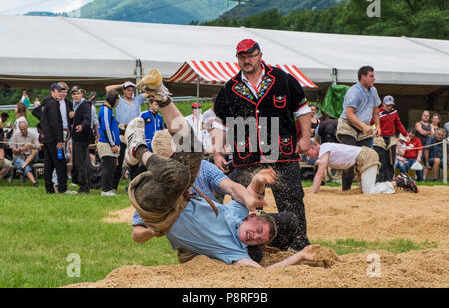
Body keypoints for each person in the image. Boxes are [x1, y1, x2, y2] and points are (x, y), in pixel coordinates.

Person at [124, 92, 320, 267]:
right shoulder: (236, 213)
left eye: (259, 239)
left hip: (163, 216)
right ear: (251, 216)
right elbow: (251, 190)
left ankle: (138, 148)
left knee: (182, 172)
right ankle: (162, 99)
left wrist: (299, 257)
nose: (256, 236)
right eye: (259, 231)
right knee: (192, 156)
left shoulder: (234, 250)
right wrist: (259, 180)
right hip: (158, 197)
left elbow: (236, 189)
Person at [211, 39, 312, 252]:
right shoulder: (229, 89)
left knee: (292, 200)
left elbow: (302, 109)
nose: (247, 60)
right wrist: (217, 151)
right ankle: (247, 247)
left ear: (260, 55)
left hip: (282, 154)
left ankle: (298, 245)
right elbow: (220, 122)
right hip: (247, 156)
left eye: (250, 55)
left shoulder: (283, 79)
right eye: (242, 57)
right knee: (245, 203)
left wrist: (305, 137)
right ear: (237, 59)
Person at [304, 141, 418, 194]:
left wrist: (312, 193)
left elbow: (320, 173)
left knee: (368, 191)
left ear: (313, 147)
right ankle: (399, 180)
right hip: (362, 158)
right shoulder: (324, 150)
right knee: (366, 189)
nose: (309, 156)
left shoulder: (324, 148)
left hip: (366, 157)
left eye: (308, 153)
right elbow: (321, 163)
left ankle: (399, 182)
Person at [336, 65, 381, 191]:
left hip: (363, 128)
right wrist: (364, 126)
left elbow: (376, 110)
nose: (374, 79)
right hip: (348, 126)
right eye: (371, 76)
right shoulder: (354, 91)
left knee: (367, 157)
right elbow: (349, 113)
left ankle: (365, 188)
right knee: (349, 159)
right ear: (363, 77)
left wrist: (377, 126)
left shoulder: (373, 90)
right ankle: (346, 190)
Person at [105, 81, 151, 190]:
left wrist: (138, 86)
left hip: (133, 132)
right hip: (121, 131)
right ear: (124, 91)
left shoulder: (137, 100)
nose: (130, 92)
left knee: (134, 161)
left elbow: (148, 92)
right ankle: (113, 187)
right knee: (119, 161)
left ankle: (133, 186)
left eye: (132, 90)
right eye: (128, 90)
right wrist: (121, 85)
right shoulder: (119, 101)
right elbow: (108, 88)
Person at [38, 83, 75, 194]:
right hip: (54, 139)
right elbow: (55, 123)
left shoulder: (46, 103)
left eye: (62, 91)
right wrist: (59, 140)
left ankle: (49, 188)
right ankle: (63, 188)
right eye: (58, 91)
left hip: (47, 138)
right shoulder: (53, 104)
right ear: (52, 92)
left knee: (48, 164)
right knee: (61, 163)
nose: (60, 93)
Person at [371, 95, 408, 182]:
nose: (389, 107)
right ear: (383, 104)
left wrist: (405, 134)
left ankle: (389, 181)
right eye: (387, 105)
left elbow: (398, 123)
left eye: (391, 105)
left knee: (391, 161)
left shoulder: (394, 112)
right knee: (381, 161)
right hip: (379, 138)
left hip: (391, 139)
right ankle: (379, 181)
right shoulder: (377, 113)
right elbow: (370, 123)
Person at [98, 90, 121, 196]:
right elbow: (106, 128)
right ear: (114, 101)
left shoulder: (109, 110)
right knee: (109, 167)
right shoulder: (106, 110)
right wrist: (113, 144)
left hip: (110, 143)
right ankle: (106, 190)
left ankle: (108, 188)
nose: (118, 103)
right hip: (106, 144)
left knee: (110, 166)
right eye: (117, 101)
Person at [69, 86, 92, 194]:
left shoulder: (85, 104)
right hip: (76, 137)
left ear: (81, 94)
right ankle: (83, 185)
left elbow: (87, 119)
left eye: (78, 94)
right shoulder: (74, 105)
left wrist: (81, 126)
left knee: (80, 163)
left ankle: (84, 187)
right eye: (74, 94)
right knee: (79, 163)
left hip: (82, 137)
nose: (76, 96)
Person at [10, 121, 39, 186]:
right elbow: (13, 149)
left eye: (24, 129)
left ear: (27, 127)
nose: (22, 130)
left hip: (31, 157)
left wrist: (32, 146)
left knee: (35, 151)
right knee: (25, 165)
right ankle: (34, 182)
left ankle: (22, 167)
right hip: (19, 157)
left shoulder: (33, 135)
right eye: (21, 129)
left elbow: (39, 147)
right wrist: (20, 150)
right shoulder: (15, 136)